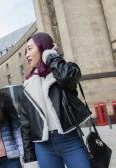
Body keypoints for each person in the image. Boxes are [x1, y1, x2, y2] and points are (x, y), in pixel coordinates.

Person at [20, 32, 92, 168]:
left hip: (69, 140)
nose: (26, 55)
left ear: (43, 47)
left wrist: (50, 56)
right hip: (43, 146)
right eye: (25, 52)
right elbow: (25, 123)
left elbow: (67, 77)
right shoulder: (27, 85)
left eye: (30, 49)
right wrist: (29, 157)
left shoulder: (65, 70)